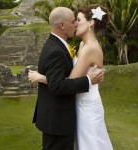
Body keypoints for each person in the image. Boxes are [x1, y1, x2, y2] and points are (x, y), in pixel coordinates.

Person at [29, 4, 113, 150]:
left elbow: (68, 81)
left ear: (90, 23)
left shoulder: (89, 48)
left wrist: (41, 78)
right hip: (77, 103)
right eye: (74, 20)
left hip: (86, 104)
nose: (75, 24)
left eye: (78, 20)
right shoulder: (82, 45)